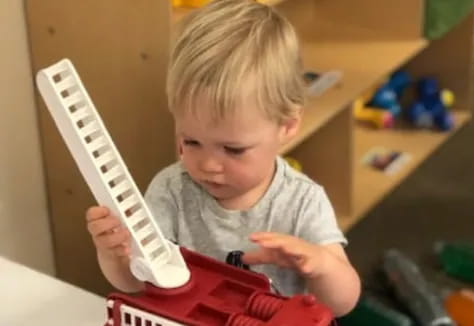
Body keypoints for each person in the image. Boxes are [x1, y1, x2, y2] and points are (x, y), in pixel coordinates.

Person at [85, 0, 360, 316]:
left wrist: (321, 266)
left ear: (287, 126)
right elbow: (135, 284)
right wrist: (114, 255)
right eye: (191, 141)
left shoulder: (302, 202)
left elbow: (341, 304)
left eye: (233, 149)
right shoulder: (171, 190)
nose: (208, 165)